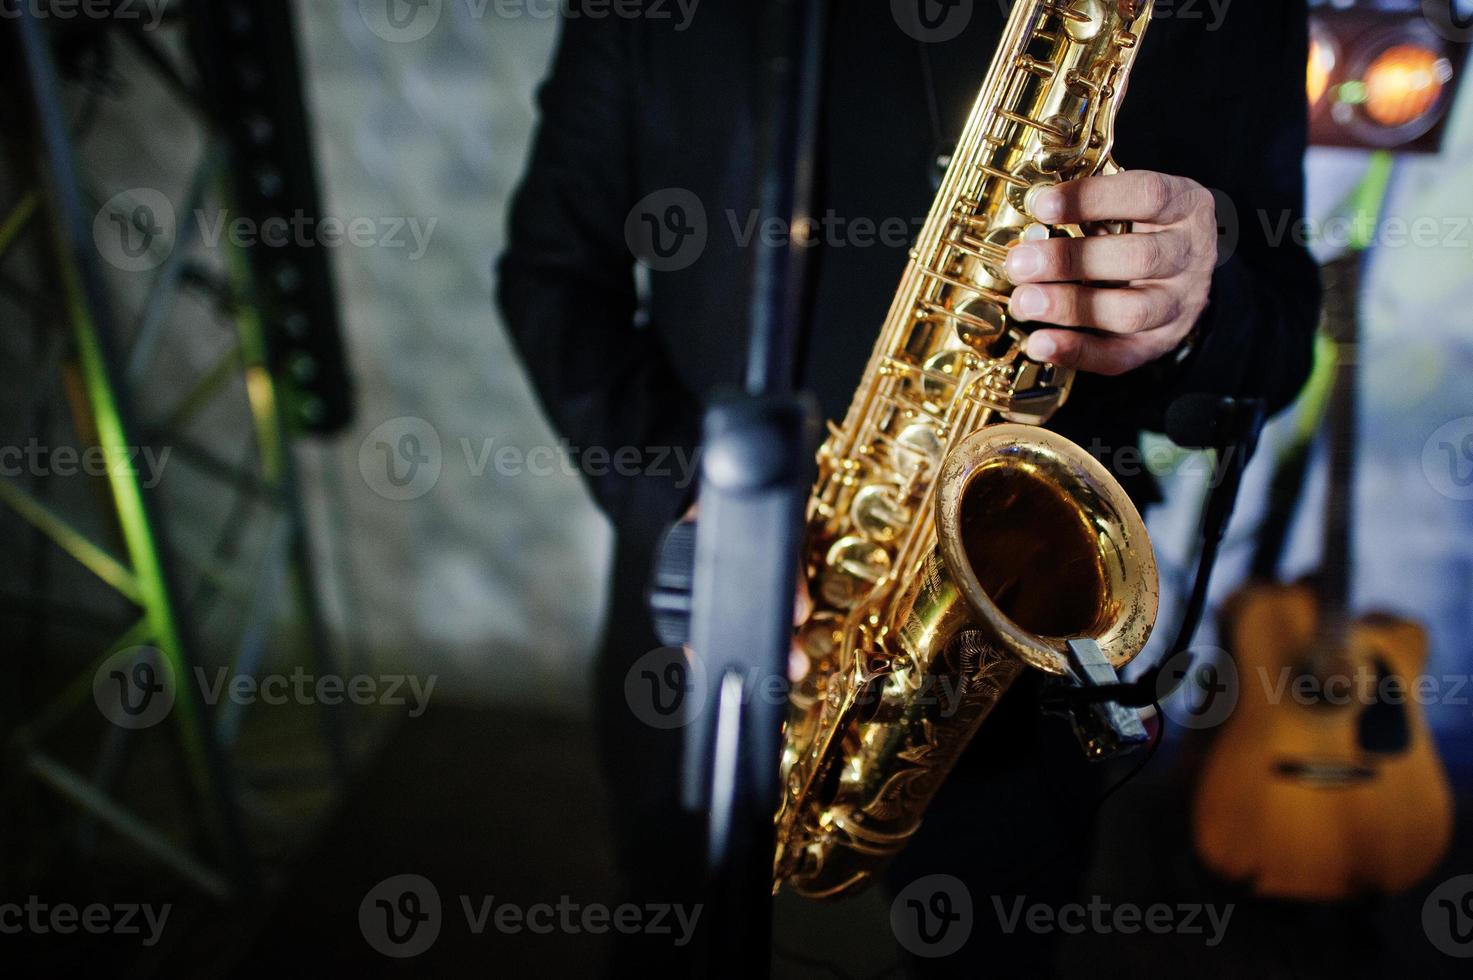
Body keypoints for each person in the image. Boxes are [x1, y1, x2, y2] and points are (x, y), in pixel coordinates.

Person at [498, 1, 1320, 974]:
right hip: (716, 624)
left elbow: (1281, 337)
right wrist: (685, 497)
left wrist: (1202, 307)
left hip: (1024, 648)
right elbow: (551, 275)